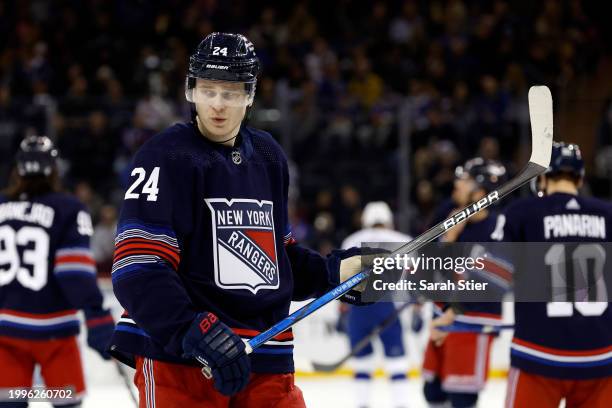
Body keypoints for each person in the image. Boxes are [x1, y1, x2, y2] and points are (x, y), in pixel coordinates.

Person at [108, 32, 369, 407]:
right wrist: (190, 330)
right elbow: (137, 264)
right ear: (190, 90)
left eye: (230, 93)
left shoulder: (268, 155)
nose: (217, 104)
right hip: (184, 363)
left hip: (266, 357)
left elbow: (277, 259)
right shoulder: (164, 156)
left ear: (249, 95)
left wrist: (336, 273)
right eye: (208, 90)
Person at [0, 136, 115, 408]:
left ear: (18, 169)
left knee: (10, 402)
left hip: (6, 334)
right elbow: (74, 273)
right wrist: (96, 316)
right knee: (67, 401)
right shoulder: (68, 208)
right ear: (54, 169)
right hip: (54, 334)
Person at [495, 142, 612, 407]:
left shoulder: (521, 214)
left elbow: (492, 274)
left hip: (538, 354)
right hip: (602, 358)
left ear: (542, 178)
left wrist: (452, 307)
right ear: (580, 178)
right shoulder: (608, 215)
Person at [423, 158, 506, 408]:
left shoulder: (498, 227)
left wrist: (452, 313)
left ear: (480, 191)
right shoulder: (447, 214)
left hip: (472, 320)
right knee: (433, 391)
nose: (456, 185)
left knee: (461, 395)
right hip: (443, 316)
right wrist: (448, 239)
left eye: (464, 180)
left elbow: (495, 282)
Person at [341, 201, 414, 408]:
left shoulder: (352, 240)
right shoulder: (402, 240)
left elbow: (341, 280)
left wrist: (342, 309)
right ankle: (401, 404)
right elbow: (416, 274)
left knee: (362, 362)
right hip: (386, 305)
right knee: (396, 362)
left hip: (359, 308)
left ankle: (362, 404)